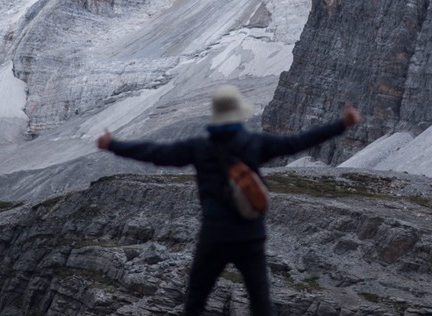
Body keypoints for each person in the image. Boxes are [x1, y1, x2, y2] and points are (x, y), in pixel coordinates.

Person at [97, 84, 361, 316]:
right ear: (238, 114)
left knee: (195, 301)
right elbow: (298, 142)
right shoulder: (255, 144)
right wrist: (342, 123)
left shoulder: (199, 148)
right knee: (260, 303)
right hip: (250, 236)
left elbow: (154, 153)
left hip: (214, 236)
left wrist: (112, 144)